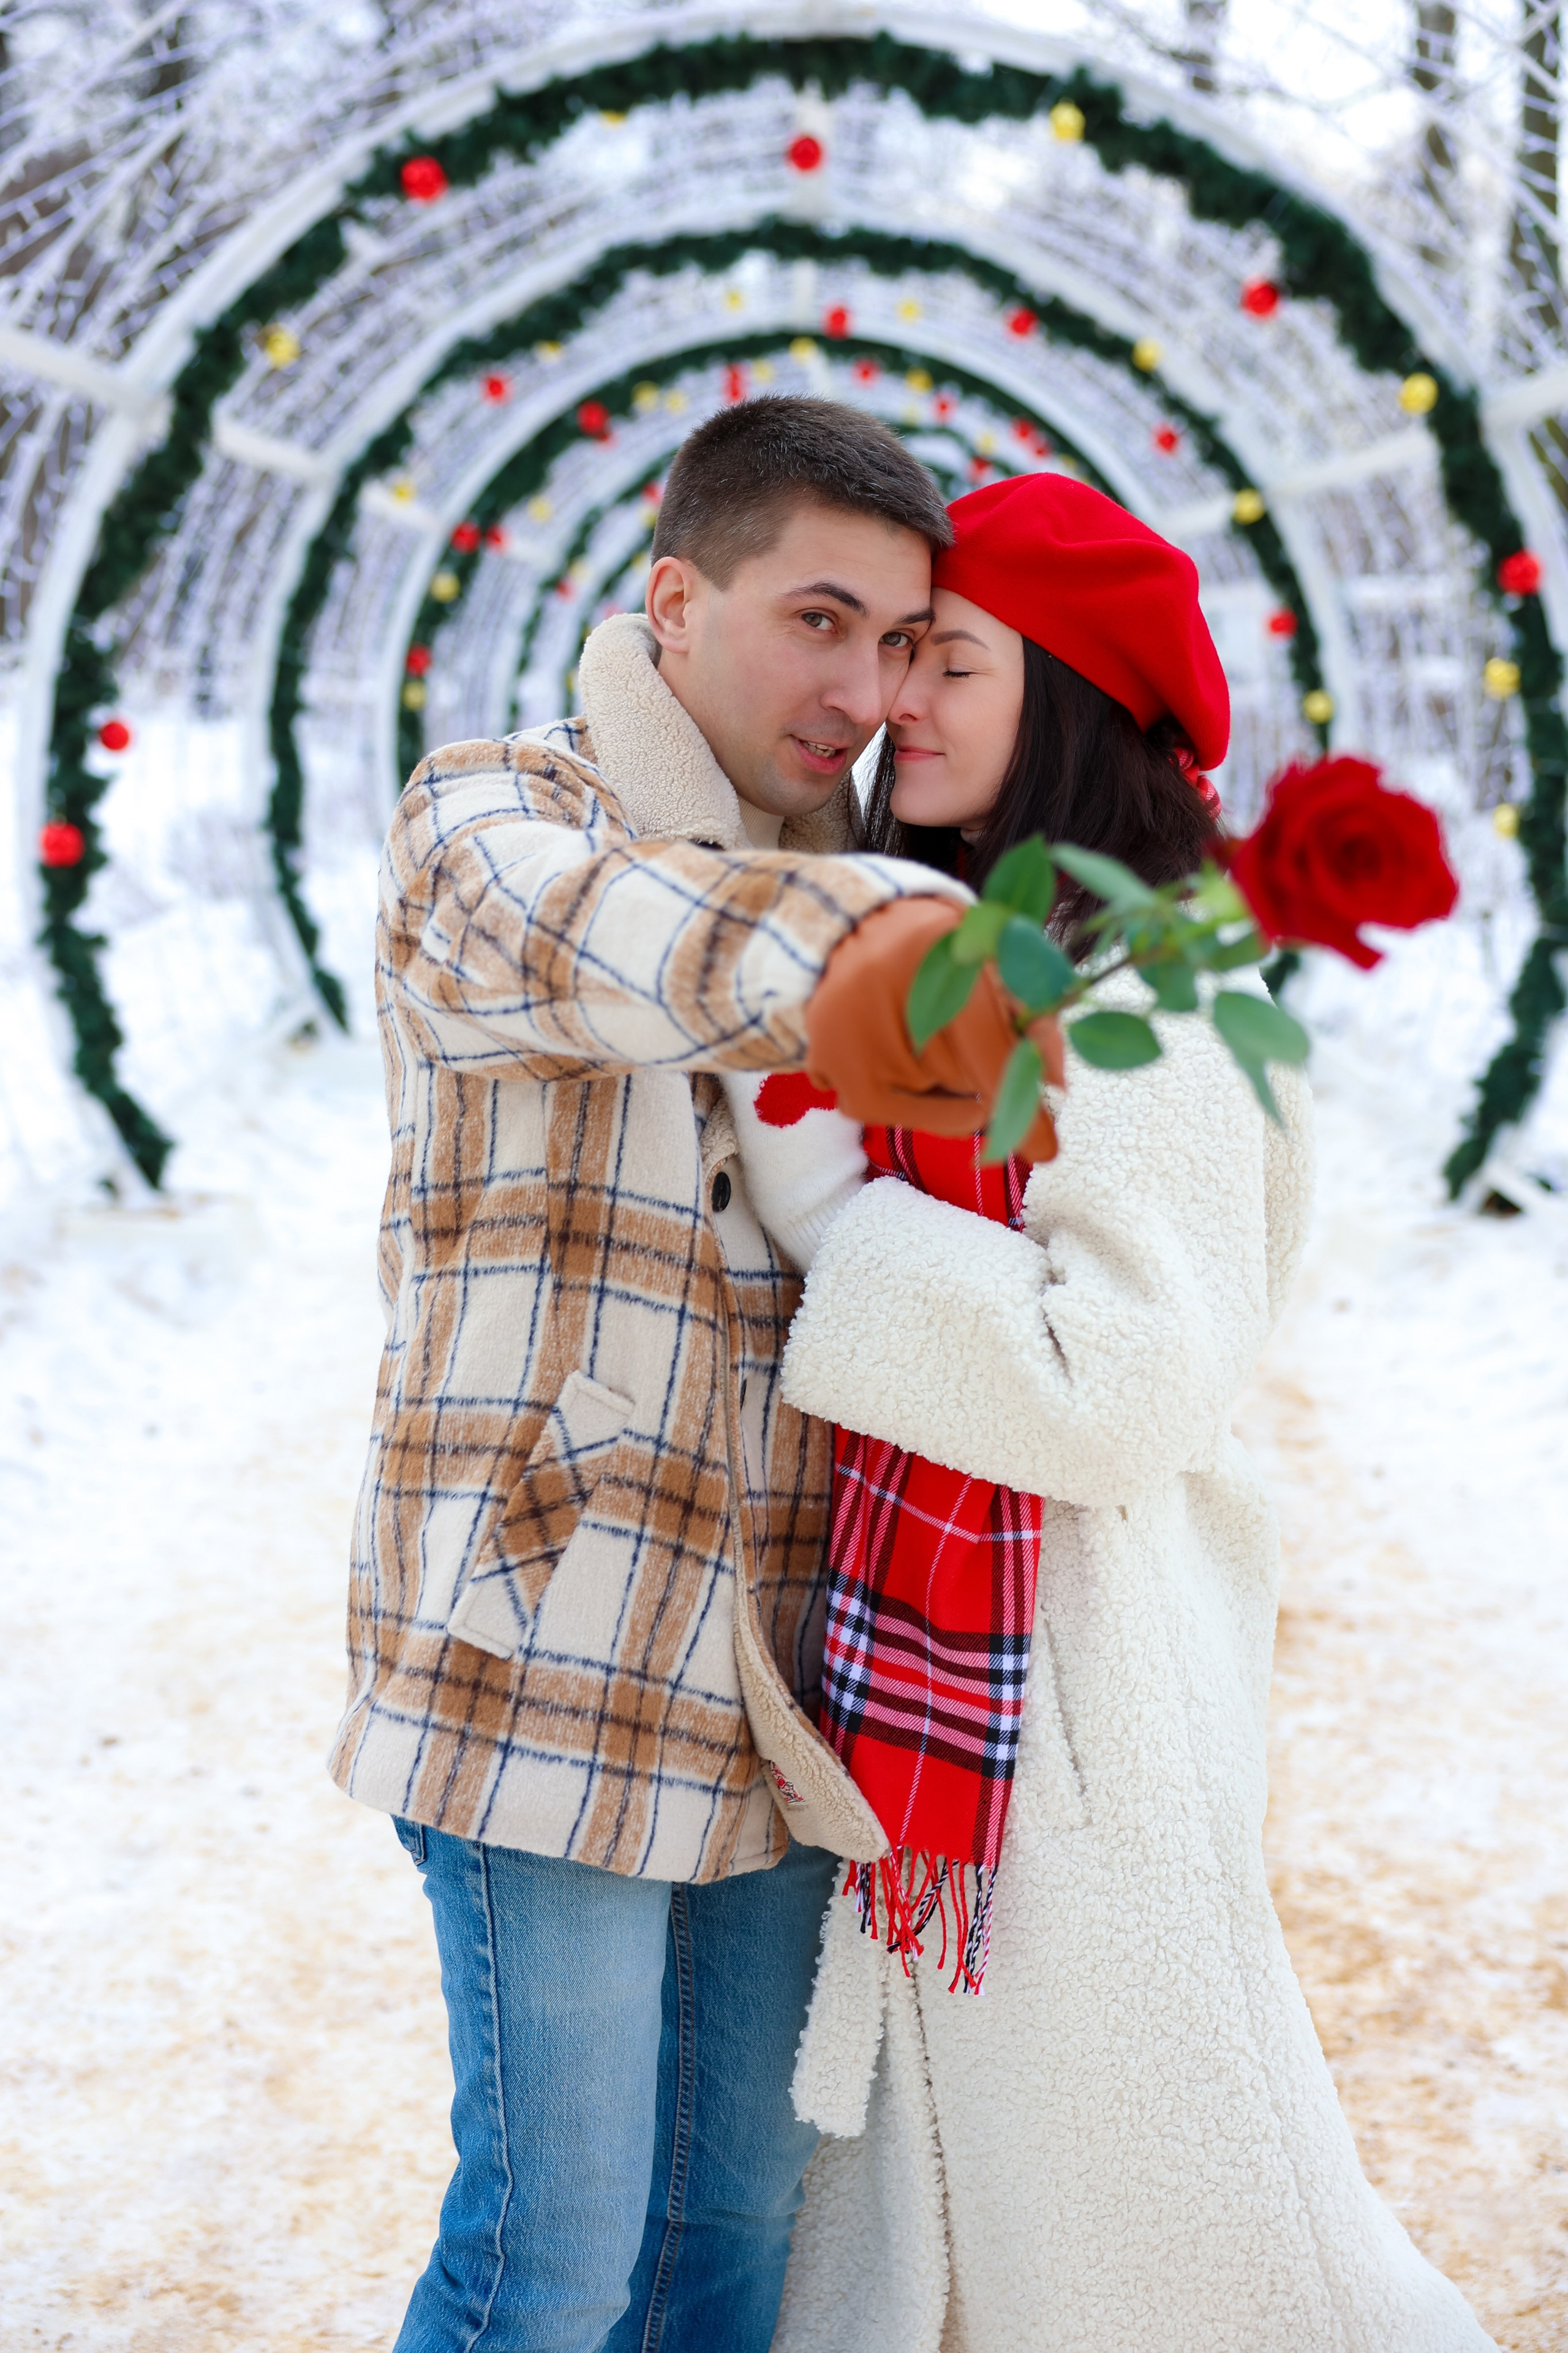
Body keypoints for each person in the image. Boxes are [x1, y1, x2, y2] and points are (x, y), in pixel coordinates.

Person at [723, 475, 1498, 2351]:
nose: (898, 696)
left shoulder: (1168, 982)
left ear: (1065, 688)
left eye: (950, 657)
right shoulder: (991, 948)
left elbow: (1121, 1377)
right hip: (976, 1674)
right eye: (891, 650)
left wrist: (846, 1226)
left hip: (1081, 1696)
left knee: (1152, 2221)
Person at [328, 395, 1040, 2353]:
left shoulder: (863, 869)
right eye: (818, 618)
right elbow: (624, 933)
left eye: (902, 640)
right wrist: (897, 928)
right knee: (545, 2262)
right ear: (673, 598)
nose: (864, 684)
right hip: (549, 1651)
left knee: (727, 2240)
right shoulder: (494, 819)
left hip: (785, 1677)